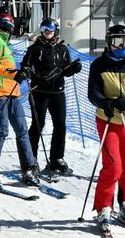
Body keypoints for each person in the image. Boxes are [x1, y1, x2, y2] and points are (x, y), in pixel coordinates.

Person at [86, 24, 125, 229]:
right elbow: (93, 93)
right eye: (116, 41)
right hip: (108, 119)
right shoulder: (99, 65)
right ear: (109, 43)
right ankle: (103, 206)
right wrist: (104, 103)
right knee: (113, 166)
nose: (121, 46)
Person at [0, 13, 40, 188]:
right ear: (8, 26)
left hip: (10, 92)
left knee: (21, 130)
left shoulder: (3, 42)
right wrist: (14, 73)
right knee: (2, 131)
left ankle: (28, 169)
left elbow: (7, 68)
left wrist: (22, 71)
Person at [21, 18, 82, 176]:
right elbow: (25, 66)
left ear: (56, 30)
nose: (47, 32)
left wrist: (74, 68)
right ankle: (31, 160)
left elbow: (65, 70)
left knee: (60, 125)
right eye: (44, 28)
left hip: (57, 92)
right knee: (38, 125)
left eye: (50, 28)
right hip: (40, 92)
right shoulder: (35, 48)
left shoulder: (62, 48)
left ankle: (56, 159)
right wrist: (32, 74)